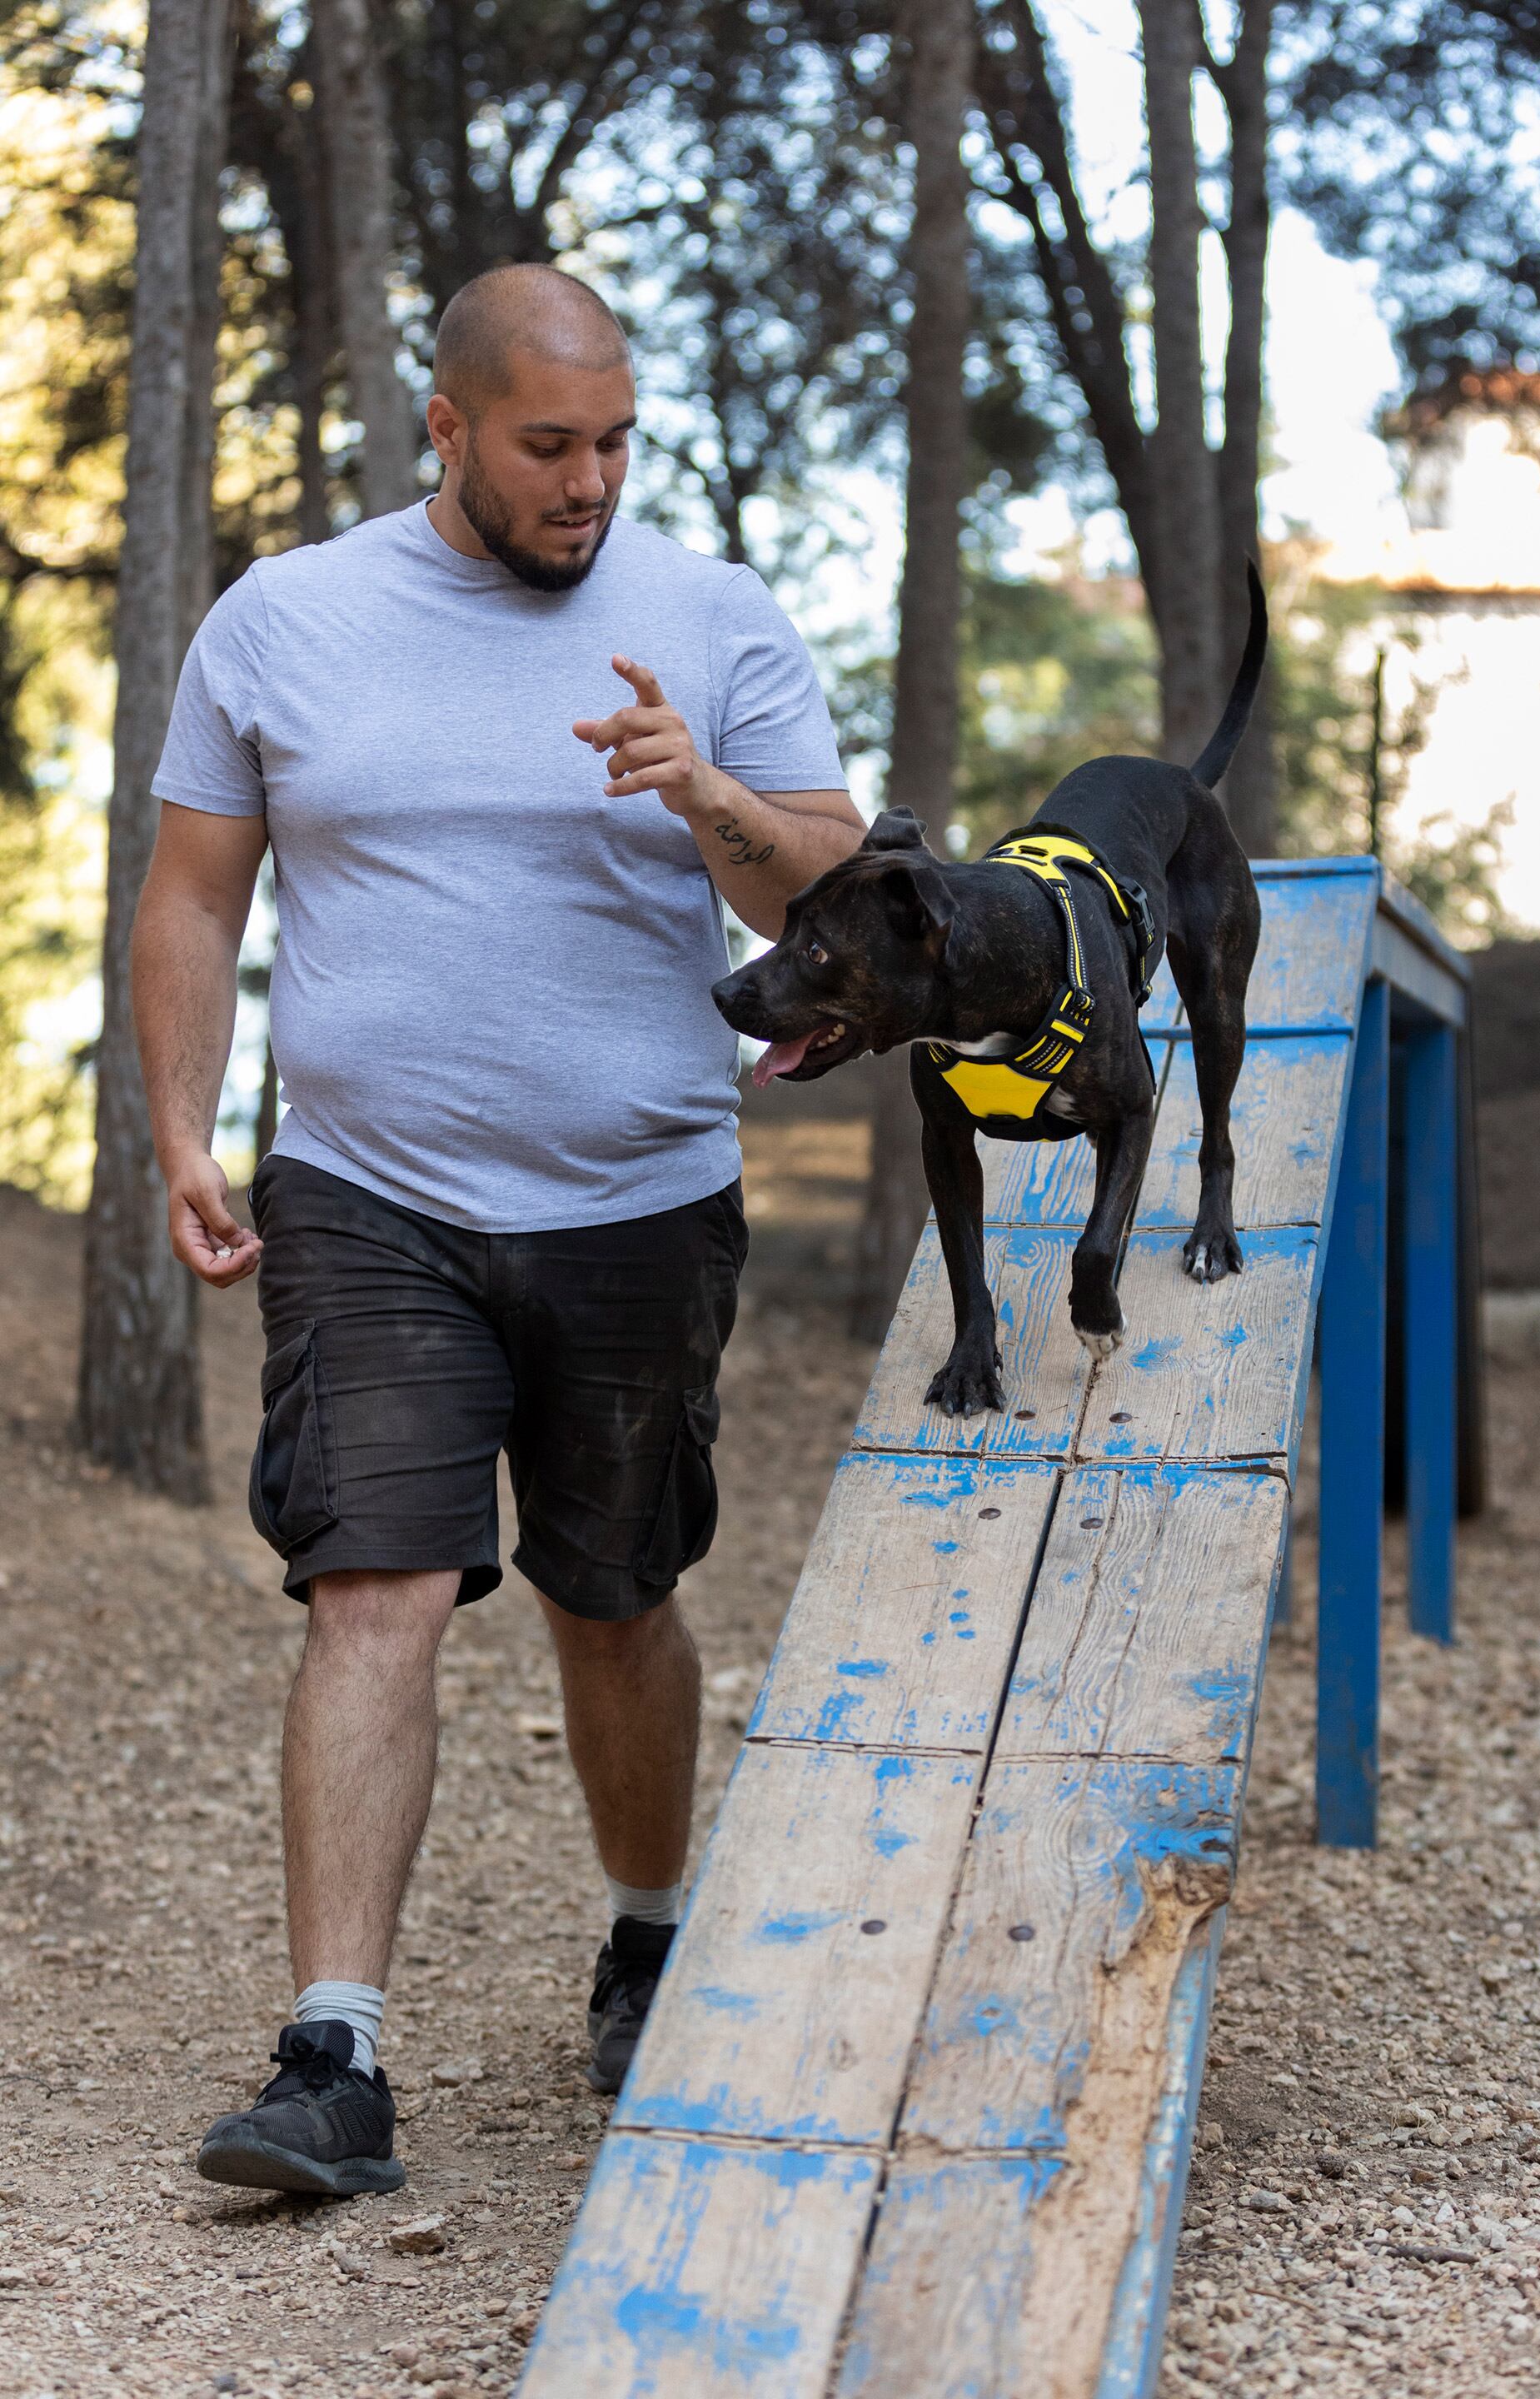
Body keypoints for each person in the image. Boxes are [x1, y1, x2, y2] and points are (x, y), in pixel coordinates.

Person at [132, 263, 861, 2196]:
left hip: (639, 1197)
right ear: (445, 429)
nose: (590, 482)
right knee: (373, 1580)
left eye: (617, 443)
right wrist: (184, 1127)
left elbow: (845, 888)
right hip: (370, 1191)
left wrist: (708, 792)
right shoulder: (287, 621)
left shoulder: (711, 618)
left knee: (611, 1597)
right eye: (550, 445)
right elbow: (196, 889)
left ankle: (645, 1931)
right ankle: (333, 2057)